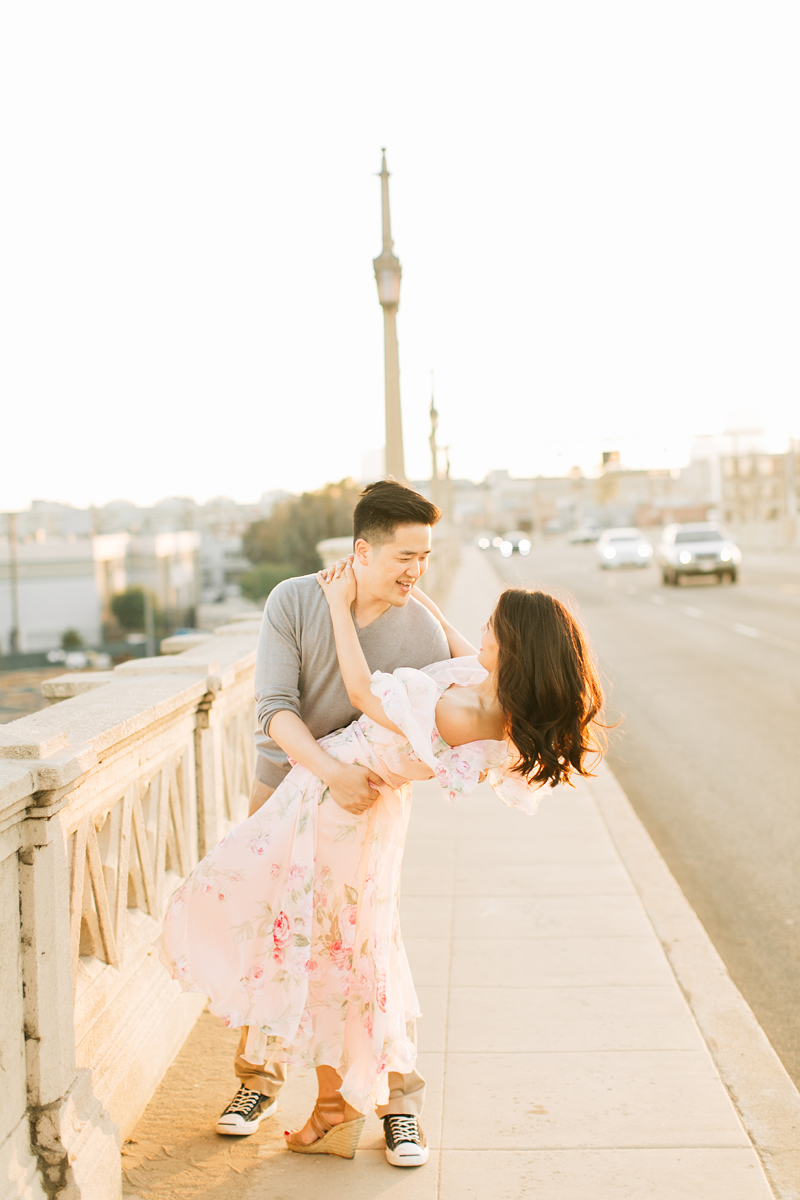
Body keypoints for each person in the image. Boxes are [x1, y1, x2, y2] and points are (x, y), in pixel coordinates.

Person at [161, 551, 605, 1162]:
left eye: (491, 629)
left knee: (323, 952)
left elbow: (361, 690)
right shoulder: (487, 695)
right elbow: (450, 637)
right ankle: (339, 1104)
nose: (479, 633)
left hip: (330, 808)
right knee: (346, 953)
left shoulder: (460, 711)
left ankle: (341, 1108)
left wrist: (342, 610)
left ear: (512, 649)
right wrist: (411, 591)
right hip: (349, 806)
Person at [215, 479, 449, 1166]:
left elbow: (427, 726)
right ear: (361, 550)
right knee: (275, 942)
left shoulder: (420, 629)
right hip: (283, 784)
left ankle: (396, 1104)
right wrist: (327, 771)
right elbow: (273, 709)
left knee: (369, 947)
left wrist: (354, 783)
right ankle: (258, 1084)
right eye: (405, 555)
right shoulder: (294, 600)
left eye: (426, 557)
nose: (415, 570)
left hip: (364, 808)